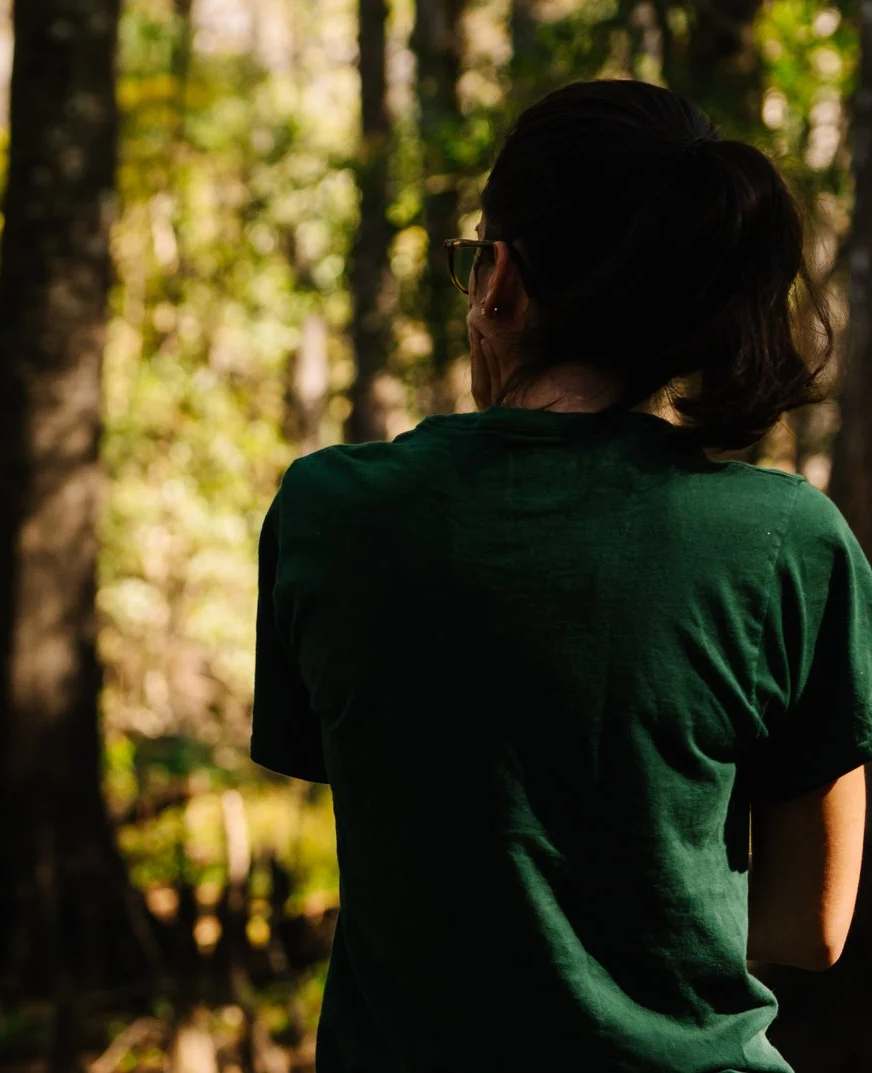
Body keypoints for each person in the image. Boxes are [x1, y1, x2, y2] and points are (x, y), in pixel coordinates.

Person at [255, 79, 869, 1072]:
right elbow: (811, 923)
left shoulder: (332, 512)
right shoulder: (786, 540)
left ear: (497, 278)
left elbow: (401, 828)